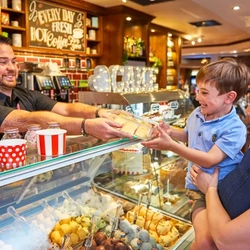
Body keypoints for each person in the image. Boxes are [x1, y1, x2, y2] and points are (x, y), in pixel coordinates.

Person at [142, 58, 250, 250]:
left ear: (229, 97)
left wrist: (171, 146)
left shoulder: (235, 128)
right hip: (199, 190)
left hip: (224, 192)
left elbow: (210, 160)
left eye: (204, 92)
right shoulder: (198, 113)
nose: (197, 97)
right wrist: (170, 132)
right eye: (198, 90)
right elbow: (186, 135)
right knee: (205, 242)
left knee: (210, 243)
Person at [0, 35, 131, 140]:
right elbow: (29, 120)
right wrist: (86, 126)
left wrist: (100, 112)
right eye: (3, 62)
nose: (11, 68)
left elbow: (66, 109)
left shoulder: (26, 94)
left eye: (13, 61)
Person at [190, 148, 250, 250]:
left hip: (211, 198)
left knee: (205, 242)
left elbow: (226, 240)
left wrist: (210, 190)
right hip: (212, 202)